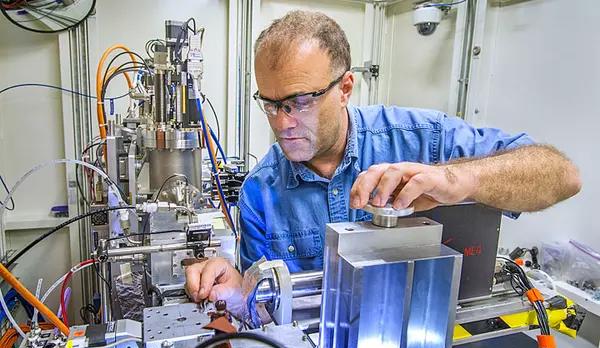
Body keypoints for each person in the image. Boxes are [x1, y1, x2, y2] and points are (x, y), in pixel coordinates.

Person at [185, 10, 581, 306]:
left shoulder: (420, 139)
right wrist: (239, 290)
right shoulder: (260, 193)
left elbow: (561, 176)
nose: (282, 122)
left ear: (345, 88)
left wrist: (455, 180)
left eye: (300, 102)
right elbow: (266, 308)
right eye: (270, 104)